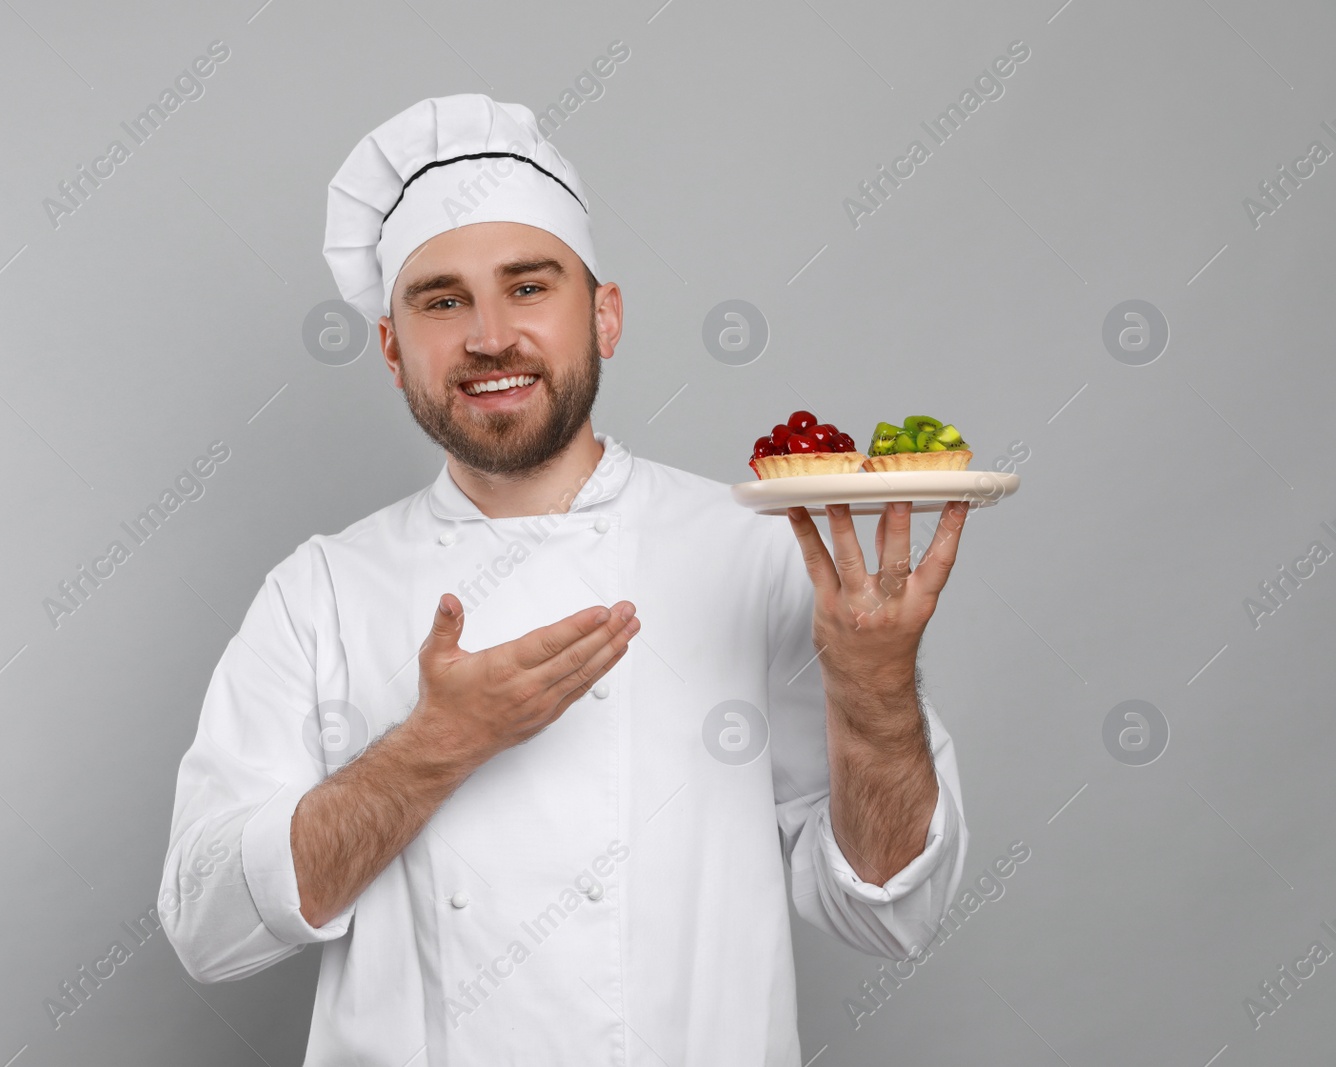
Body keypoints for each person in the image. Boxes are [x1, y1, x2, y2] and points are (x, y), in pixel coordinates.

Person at [159, 92, 973, 1065]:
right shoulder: (321, 591)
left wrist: (878, 687)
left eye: (529, 285)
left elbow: (888, 907)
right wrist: (434, 745)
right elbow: (205, 920)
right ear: (390, 348)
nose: (490, 335)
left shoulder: (757, 553)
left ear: (605, 314)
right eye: (441, 299)